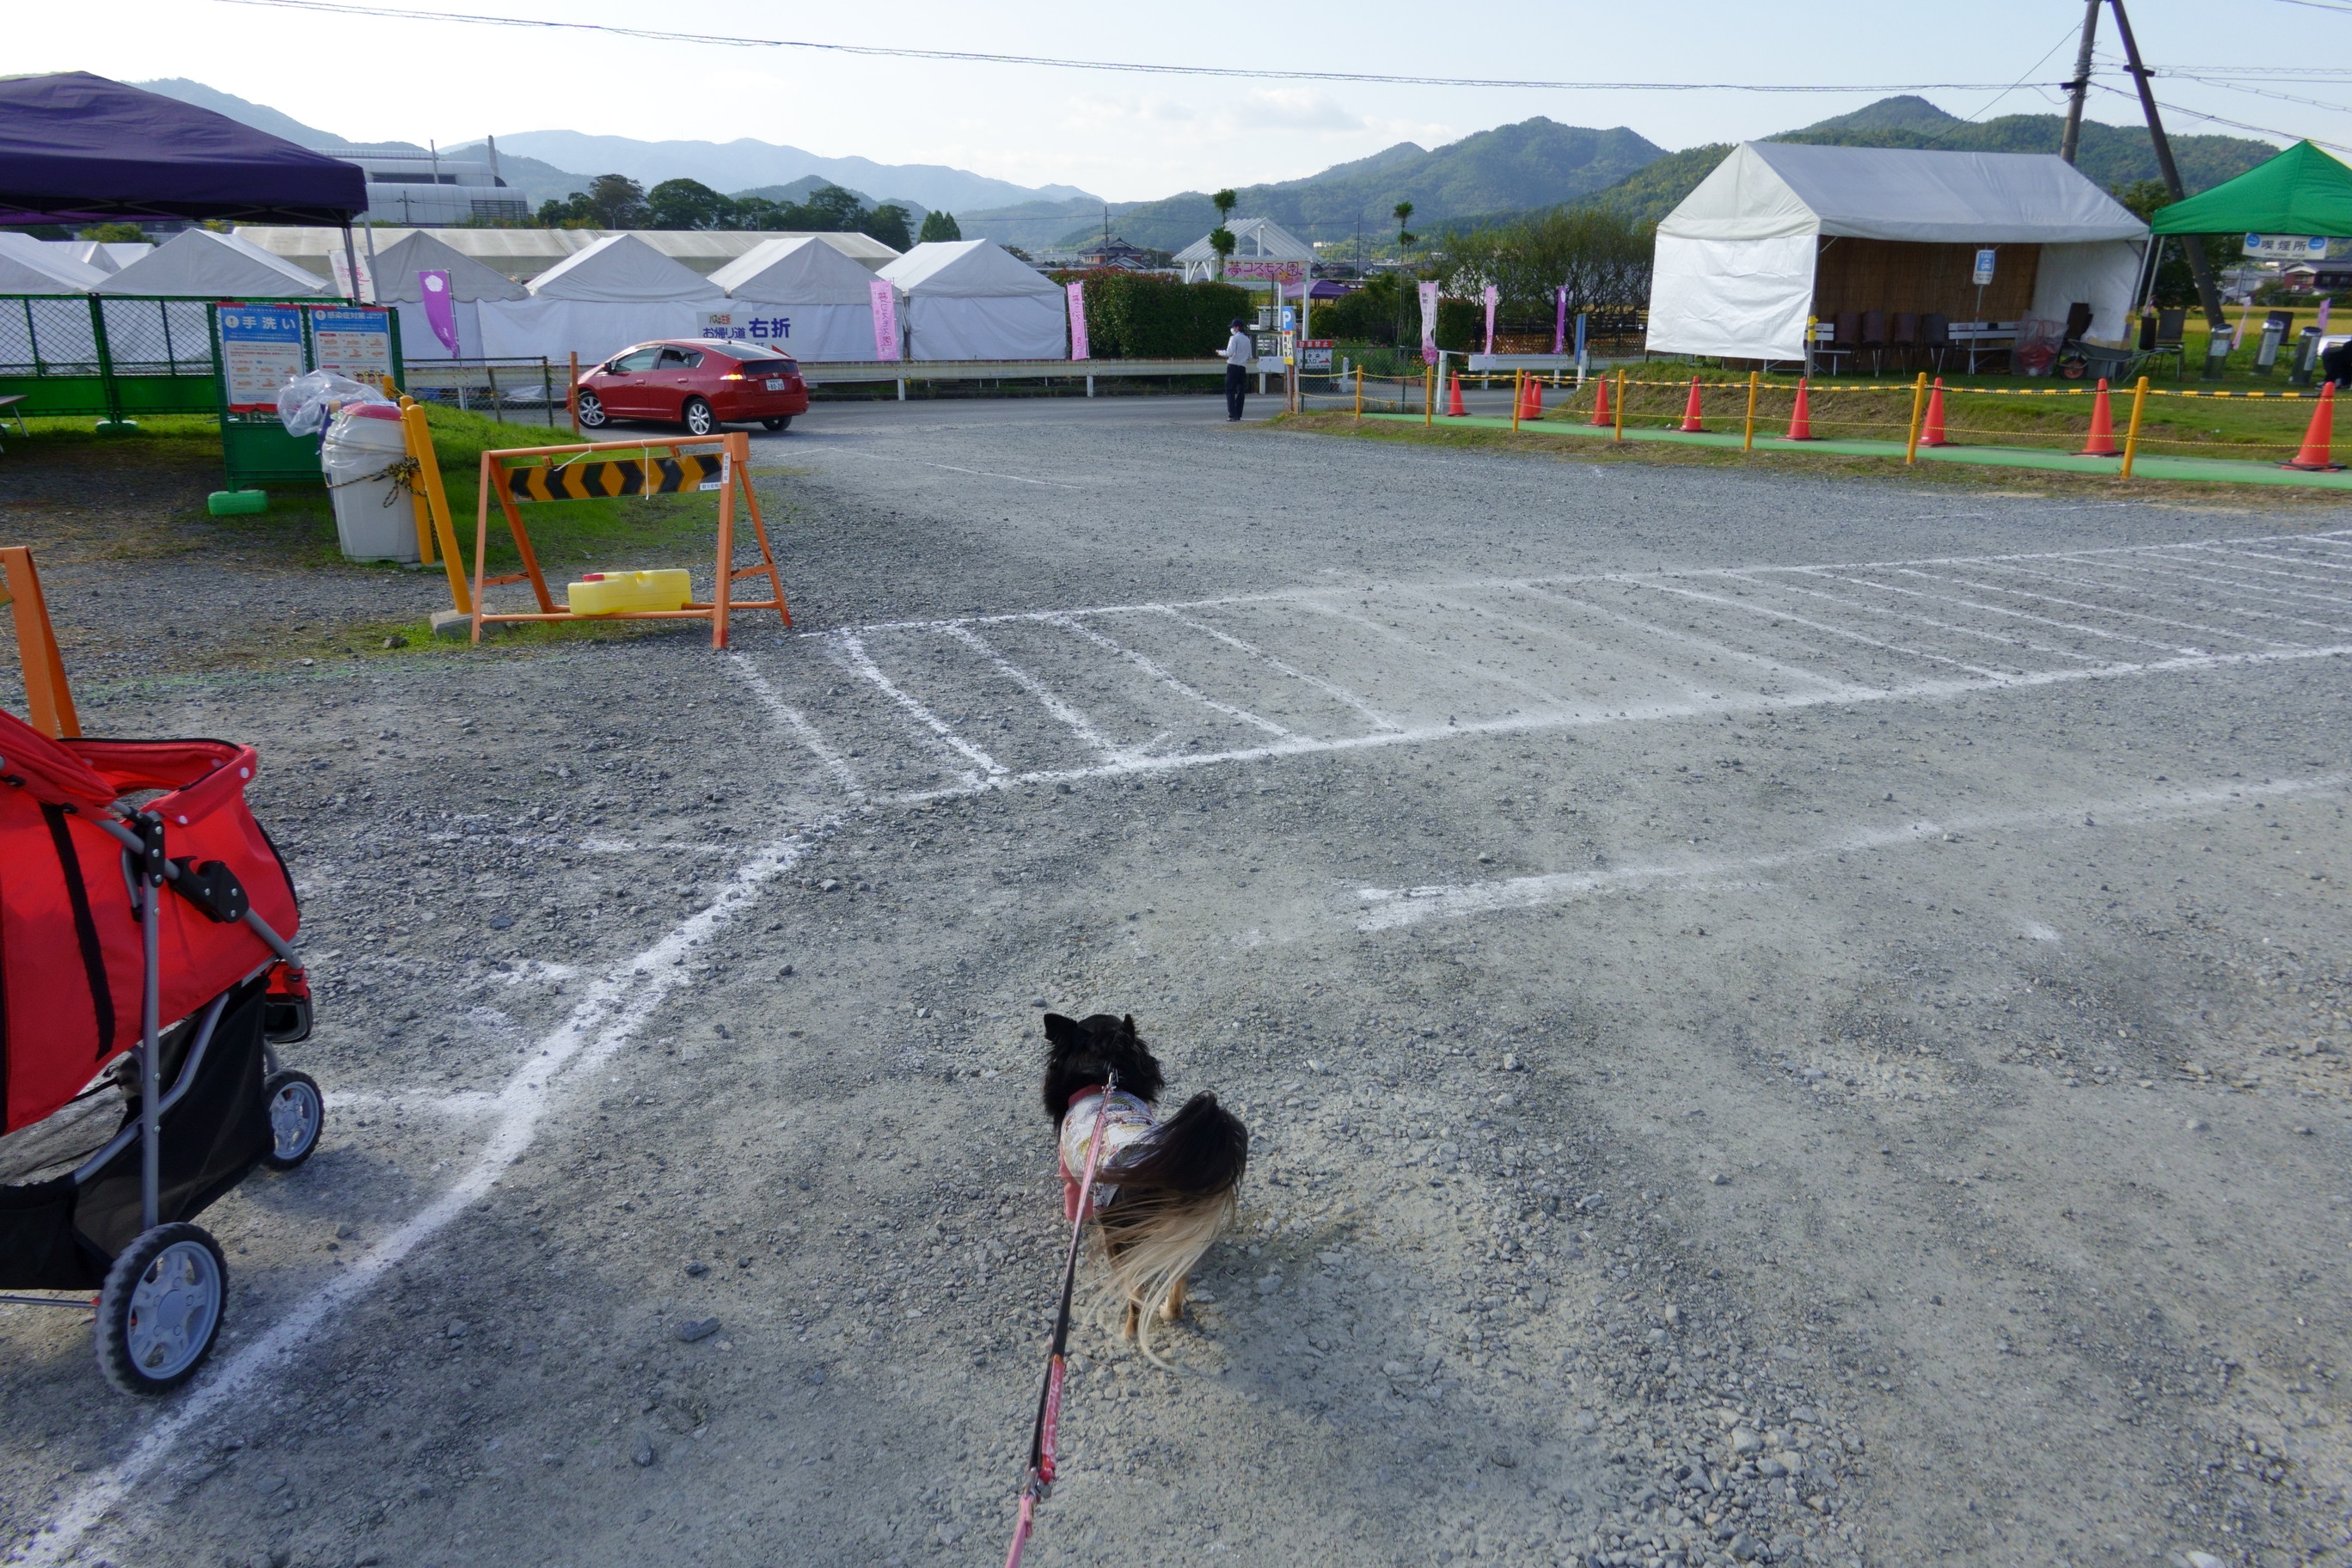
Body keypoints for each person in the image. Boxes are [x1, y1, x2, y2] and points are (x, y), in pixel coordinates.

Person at [1222, 317, 1253, 421]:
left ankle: (1232, 415)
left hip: (1233, 366)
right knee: (1241, 391)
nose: (1232, 329)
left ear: (1237, 327)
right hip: (1242, 368)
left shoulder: (1234, 338)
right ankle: (1238, 414)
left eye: (1233, 327)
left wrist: (1219, 352)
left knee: (1230, 390)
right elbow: (1250, 356)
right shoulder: (1247, 339)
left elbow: (1229, 353)